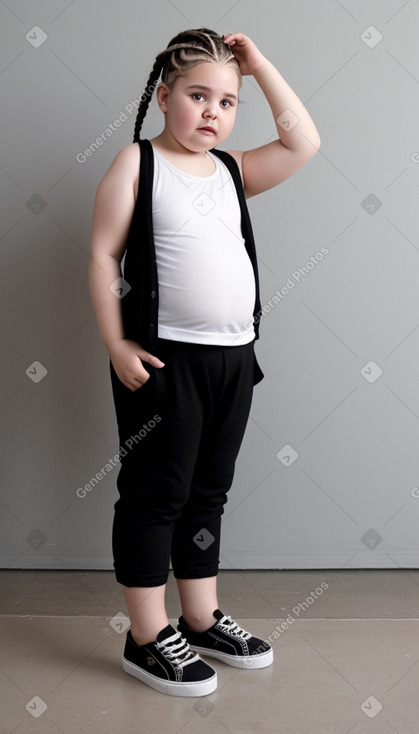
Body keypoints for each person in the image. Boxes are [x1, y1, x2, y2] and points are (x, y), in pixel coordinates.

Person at [89, 28, 320, 697]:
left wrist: (261, 67)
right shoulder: (137, 164)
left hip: (232, 362)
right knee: (154, 495)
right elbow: (104, 256)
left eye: (228, 100)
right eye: (197, 95)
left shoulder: (232, 170)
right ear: (163, 97)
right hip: (162, 363)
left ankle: (197, 616)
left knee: (205, 494)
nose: (213, 111)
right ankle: (143, 635)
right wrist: (115, 343)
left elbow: (302, 141)